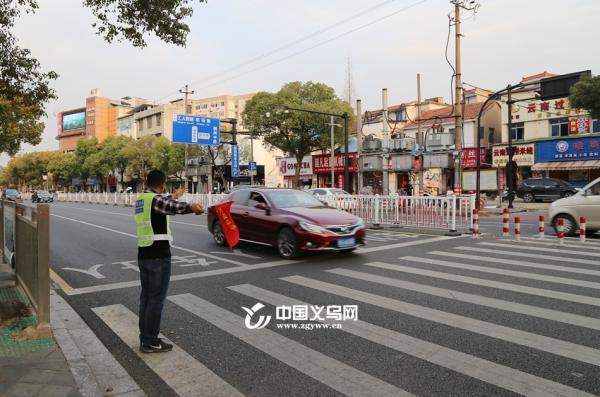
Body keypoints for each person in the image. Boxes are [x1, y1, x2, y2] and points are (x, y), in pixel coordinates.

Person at [134, 170, 204, 353]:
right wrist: (191, 207)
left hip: (144, 254)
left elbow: (162, 204)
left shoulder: (143, 198)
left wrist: (174, 196)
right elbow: (171, 207)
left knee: (146, 299)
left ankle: (146, 338)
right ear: (162, 184)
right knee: (156, 300)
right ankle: (150, 341)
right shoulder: (156, 200)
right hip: (158, 255)